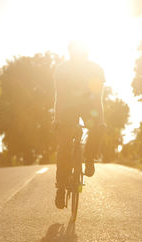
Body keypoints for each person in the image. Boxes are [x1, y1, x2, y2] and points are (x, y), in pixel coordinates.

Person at [53, 41, 106, 209]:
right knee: (64, 146)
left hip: (89, 106)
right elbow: (59, 96)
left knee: (97, 128)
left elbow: (98, 99)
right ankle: (61, 187)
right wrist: (57, 119)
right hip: (67, 109)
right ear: (70, 53)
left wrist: (101, 121)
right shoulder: (62, 69)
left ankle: (89, 158)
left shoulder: (96, 69)